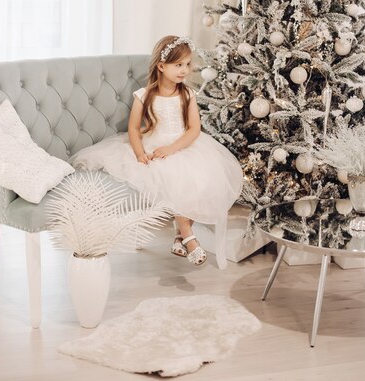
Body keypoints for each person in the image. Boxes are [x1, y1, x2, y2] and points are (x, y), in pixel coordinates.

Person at [72, 35, 243, 268]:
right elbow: (133, 128)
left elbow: (193, 130)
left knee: (198, 178)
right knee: (171, 177)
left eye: (187, 64)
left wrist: (172, 149)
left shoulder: (187, 94)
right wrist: (140, 152)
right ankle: (188, 237)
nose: (184, 70)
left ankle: (182, 235)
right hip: (153, 144)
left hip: (183, 145)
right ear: (162, 66)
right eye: (178, 65)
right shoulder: (145, 95)